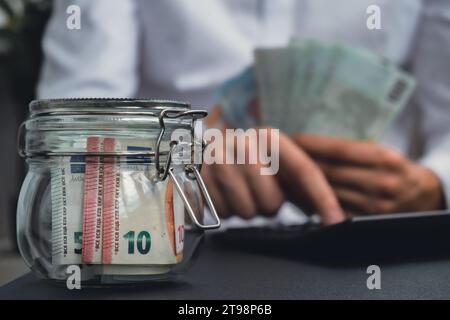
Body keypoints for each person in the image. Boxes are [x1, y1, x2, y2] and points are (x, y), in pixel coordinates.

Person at [38, 0, 450, 224]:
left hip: (373, 240)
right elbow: (66, 145)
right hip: (177, 243)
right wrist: (176, 169)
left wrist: (434, 186)